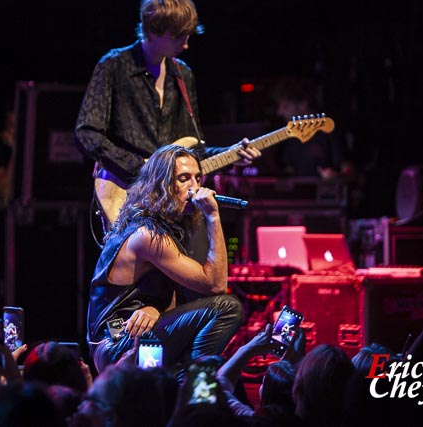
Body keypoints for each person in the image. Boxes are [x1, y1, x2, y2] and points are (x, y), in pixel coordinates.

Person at [74, 0, 260, 245]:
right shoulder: (114, 66)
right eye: (178, 36)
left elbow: (193, 150)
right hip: (130, 197)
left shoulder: (183, 74)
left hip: (174, 208)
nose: (185, 44)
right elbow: (87, 133)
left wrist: (232, 153)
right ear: (153, 30)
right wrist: (141, 169)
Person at [86, 145, 244, 374]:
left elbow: (172, 295)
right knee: (227, 308)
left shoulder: (163, 227)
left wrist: (155, 310)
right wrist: (213, 215)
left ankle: (192, 383)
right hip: (116, 345)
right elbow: (216, 284)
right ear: (162, 186)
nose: (195, 187)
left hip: (133, 334)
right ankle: (192, 386)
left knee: (224, 372)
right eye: (184, 179)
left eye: (197, 178)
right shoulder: (147, 235)